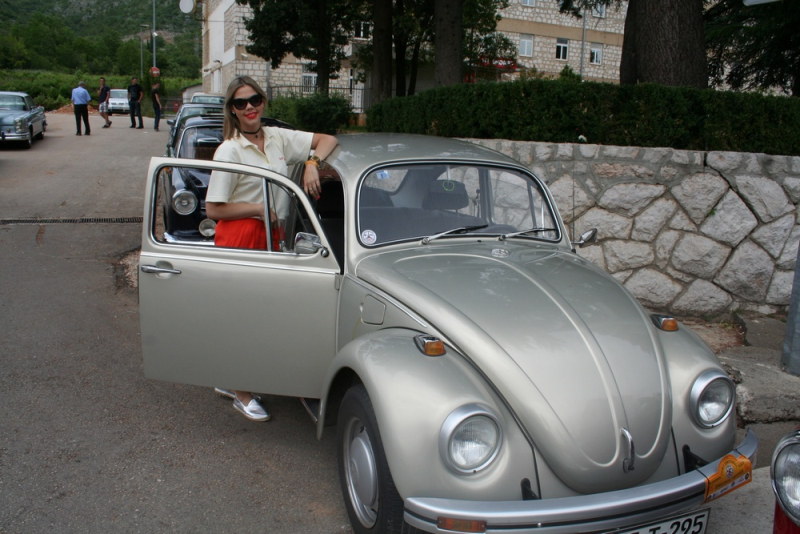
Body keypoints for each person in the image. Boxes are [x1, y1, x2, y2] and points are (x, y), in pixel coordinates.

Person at [205, 75, 338, 422]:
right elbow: (213, 209)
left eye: (255, 100)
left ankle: (233, 378)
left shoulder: (277, 137)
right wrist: (257, 209)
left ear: (263, 101)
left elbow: (327, 140)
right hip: (240, 234)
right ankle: (241, 391)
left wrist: (312, 163)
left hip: (272, 233)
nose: (249, 107)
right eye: (241, 103)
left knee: (263, 313)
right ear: (232, 110)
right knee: (242, 316)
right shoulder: (229, 150)